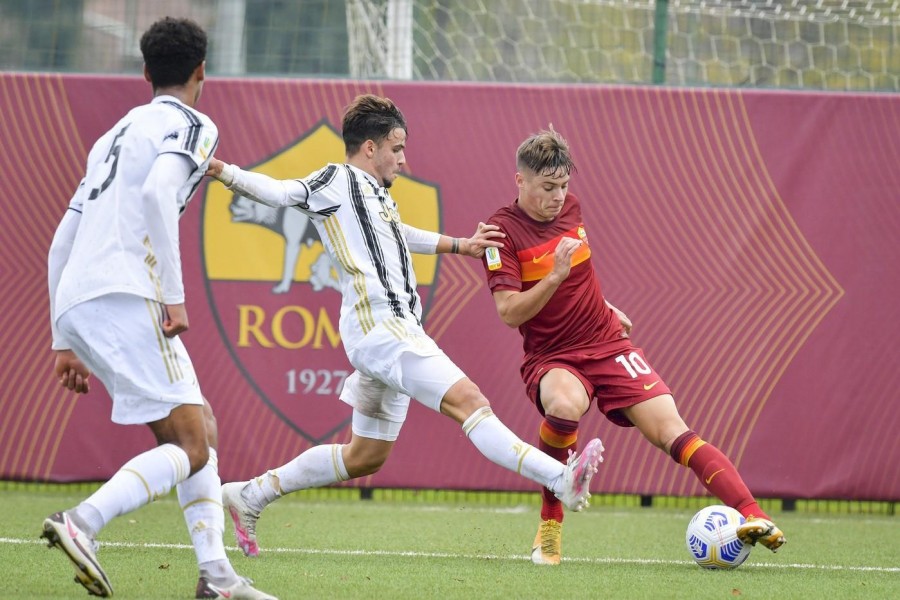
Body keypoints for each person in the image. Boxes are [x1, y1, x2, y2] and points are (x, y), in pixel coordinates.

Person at [204, 94, 605, 558]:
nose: (403, 158)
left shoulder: (375, 195)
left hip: (387, 331)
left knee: (364, 456)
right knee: (470, 401)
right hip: (381, 328)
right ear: (370, 148)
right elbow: (280, 193)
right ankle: (560, 478)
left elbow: (399, 233)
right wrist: (224, 172)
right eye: (397, 148)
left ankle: (249, 495)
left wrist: (461, 245)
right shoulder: (337, 180)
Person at [43, 17, 276, 600]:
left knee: (197, 432)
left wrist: (61, 336)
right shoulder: (194, 123)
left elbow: (60, 240)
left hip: (79, 297)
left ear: (145, 72)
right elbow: (154, 195)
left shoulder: (112, 135)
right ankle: (82, 523)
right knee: (194, 445)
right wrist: (174, 295)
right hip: (127, 295)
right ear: (202, 71)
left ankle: (217, 578)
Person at [481, 128, 786, 566]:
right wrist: (553, 277)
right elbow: (510, 311)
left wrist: (603, 303)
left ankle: (754, 515)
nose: (557, 196)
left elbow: (581, 274)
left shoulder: (572, 208)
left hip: (606, 341)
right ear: (520, 181)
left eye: (564, 186)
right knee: (564, 405)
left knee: (671, 430)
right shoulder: (500, 233)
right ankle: (550, 524)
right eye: (547, 187)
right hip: (554, 355)